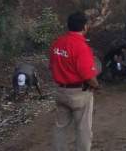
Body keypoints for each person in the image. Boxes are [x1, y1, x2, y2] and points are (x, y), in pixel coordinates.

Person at [49, 11, 100, 151]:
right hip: (79, 94)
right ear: (84, 27)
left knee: (60, 128)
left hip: (60, 91)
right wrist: (96, 86)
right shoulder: (81, 47)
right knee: (83, 130)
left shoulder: (57, 43)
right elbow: (88, 76)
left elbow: (51, 66)